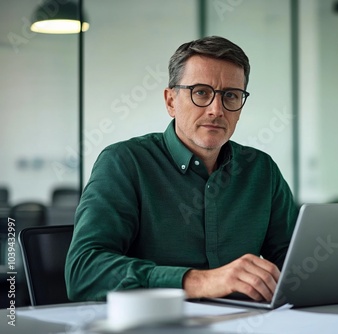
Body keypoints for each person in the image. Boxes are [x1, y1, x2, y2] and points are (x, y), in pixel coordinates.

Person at [65, 36, 298, 302]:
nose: (216, 110)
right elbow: (83, 272)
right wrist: (197, 281)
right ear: (171, 101)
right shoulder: (124, 163)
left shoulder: (261, 171)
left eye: (231, 96)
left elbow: (296, 262)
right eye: (201, 92)